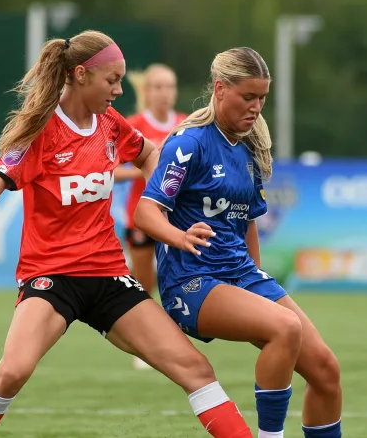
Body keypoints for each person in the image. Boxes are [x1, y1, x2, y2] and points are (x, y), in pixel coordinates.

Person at [0, 31, 252, 438]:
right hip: (52, 277)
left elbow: (150, 154)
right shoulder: (42, 132)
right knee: (13, 372)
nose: (120, 89)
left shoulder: (110, 123)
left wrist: (165, 199)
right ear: (80, 75)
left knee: (195, 369)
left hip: (108, 275)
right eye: (112, 80)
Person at [134, 47, 343, 438]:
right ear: (219, 89)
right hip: (192, 282)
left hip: (240, 274)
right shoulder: (189, 144)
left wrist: (257, 276)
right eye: (248, 97)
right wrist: (180, 237)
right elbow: (146, 212)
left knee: (326, 371)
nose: (256, 107)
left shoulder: (249, 148)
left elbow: (246, 222)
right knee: (285, 328)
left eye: (262, 98)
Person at [113, 63, 188, 370]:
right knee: (144, 282)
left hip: (177, 219)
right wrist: (138, 170)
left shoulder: (187, 124)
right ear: (146, 91)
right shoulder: (132, 124)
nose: (163, 93)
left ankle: (174, 341)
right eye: (157, 86)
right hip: (141, 217)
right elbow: (108, 168)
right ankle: (142, 343)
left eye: (169, 86)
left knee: (180, 279)